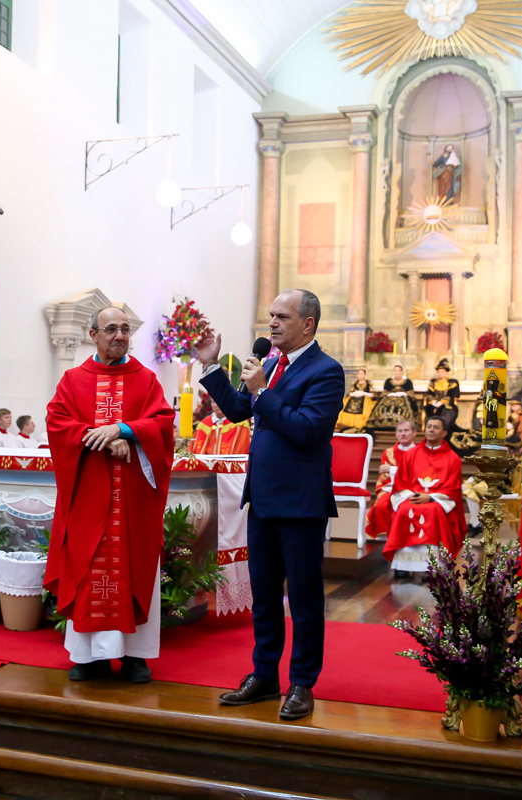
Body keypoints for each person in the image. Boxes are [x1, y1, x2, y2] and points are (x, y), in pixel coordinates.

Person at [194, 288, 343, 721]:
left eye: (282, 317)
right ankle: (264, 676)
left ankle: (302, 683)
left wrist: (262, 391)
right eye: (271, 315)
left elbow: (306, 429)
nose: (272, 323)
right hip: (261, 498)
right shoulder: (273, 364)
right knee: (263, 596)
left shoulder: (326, 371)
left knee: (304, 599)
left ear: (308, 325)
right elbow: (238, 411)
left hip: (301, 502)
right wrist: (212, 366)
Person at [44, 307, 175, 685]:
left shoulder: (146, 380)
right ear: (93, 335)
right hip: (88, 497)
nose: (119, 335)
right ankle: (89, 657)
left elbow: (162, 422)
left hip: (133, 499)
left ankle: (136, 656)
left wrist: (125, 432)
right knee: (88, 568)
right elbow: (58, 423)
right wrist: (101, 439)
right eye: (111, 329)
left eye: (125, 329)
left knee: (132, 567)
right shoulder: (73, 380)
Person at [383, 416, 466, 576]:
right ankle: (403, 566)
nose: (431, 430)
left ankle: (431, 567)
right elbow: (400, 482)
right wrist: (412, 496)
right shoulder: (410, 454)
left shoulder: (453, 458)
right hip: (412, 497)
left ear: (444, 433)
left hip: (437, 501)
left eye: (436, 427)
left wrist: (431, 497)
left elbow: (453, 488)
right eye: (429, 427)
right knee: (403, 509)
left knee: (433, 510)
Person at [365, 419, 417, 539]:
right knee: (382, 505)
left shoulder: (419, 451)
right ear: (396, 434)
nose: (403, 434)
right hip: (392, 488)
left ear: (414, 433)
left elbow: (418, 473)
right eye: (400, 431)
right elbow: (386, 477)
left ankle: (409, 539)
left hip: (414, 489)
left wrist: (392, 469)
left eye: (406, 430)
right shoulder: (389, 453)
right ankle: (385, 539)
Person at [365, 363, 418, 429]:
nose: (396, 372)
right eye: (395, 370)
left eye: (398, 370)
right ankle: (382, 422)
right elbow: (384, 392)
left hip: (403, 399)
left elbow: (411, 393)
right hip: (389, 399)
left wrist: (403, 394)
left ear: (401, 372)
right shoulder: (388, 382)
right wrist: (390, 394)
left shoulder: (407, 382)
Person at [423, 359, 461, 429]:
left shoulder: (452, 382)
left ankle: (444, 429)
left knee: (447, 412)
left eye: (442, 372)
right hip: (434, 404)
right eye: (439, 372)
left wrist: (441, 402)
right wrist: (434, 402)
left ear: (446, 372)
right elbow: (429, 394)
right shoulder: (433, 382)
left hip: (447, 404)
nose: (440, 373)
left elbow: (451, 395)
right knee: (429, 409)